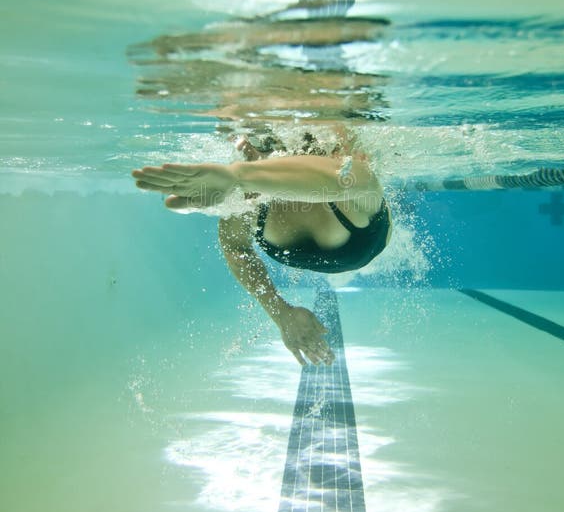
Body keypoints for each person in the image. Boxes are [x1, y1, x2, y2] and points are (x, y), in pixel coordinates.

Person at [132, 140, 391, 366]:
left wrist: (238, 176)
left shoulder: (348, 186)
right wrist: (280, 313)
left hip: (361, 243)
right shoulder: (249, 197)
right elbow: (236, 247)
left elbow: (350, 177)